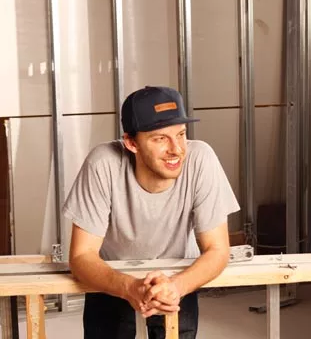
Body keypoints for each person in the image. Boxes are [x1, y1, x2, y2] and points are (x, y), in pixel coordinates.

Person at [63, 86, 240, 338]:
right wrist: (129, 287)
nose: (176, 149)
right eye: (160, 139)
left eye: (181, 134)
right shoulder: (102, 164)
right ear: (131, 143)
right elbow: (81, 256)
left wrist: (176, 287)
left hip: (178, 280)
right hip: (112, 278)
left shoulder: (201, 159)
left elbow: (218, 249)